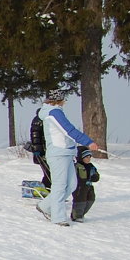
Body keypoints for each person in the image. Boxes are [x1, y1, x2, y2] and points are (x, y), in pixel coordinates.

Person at [35, 87, 98, 227]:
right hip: (58, 154)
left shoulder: (56, 112)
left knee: (72, 184)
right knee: (60, 185)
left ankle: (45, 206)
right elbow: (68, 130)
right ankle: (57, 217)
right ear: (60, 100)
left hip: (67, 153)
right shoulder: (53, 113)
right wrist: (88, 142)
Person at [71, 147, 100, 222]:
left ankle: (82, 214)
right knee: (80, 201)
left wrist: (95, 177)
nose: (89, 159)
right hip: (79, 187)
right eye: (86, 157)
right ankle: (76, 216)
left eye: (90, 157)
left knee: (91, 199)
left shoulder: (91, 166)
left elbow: (96, 175)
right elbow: (72, 176)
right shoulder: (76, 166)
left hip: (89, 186)